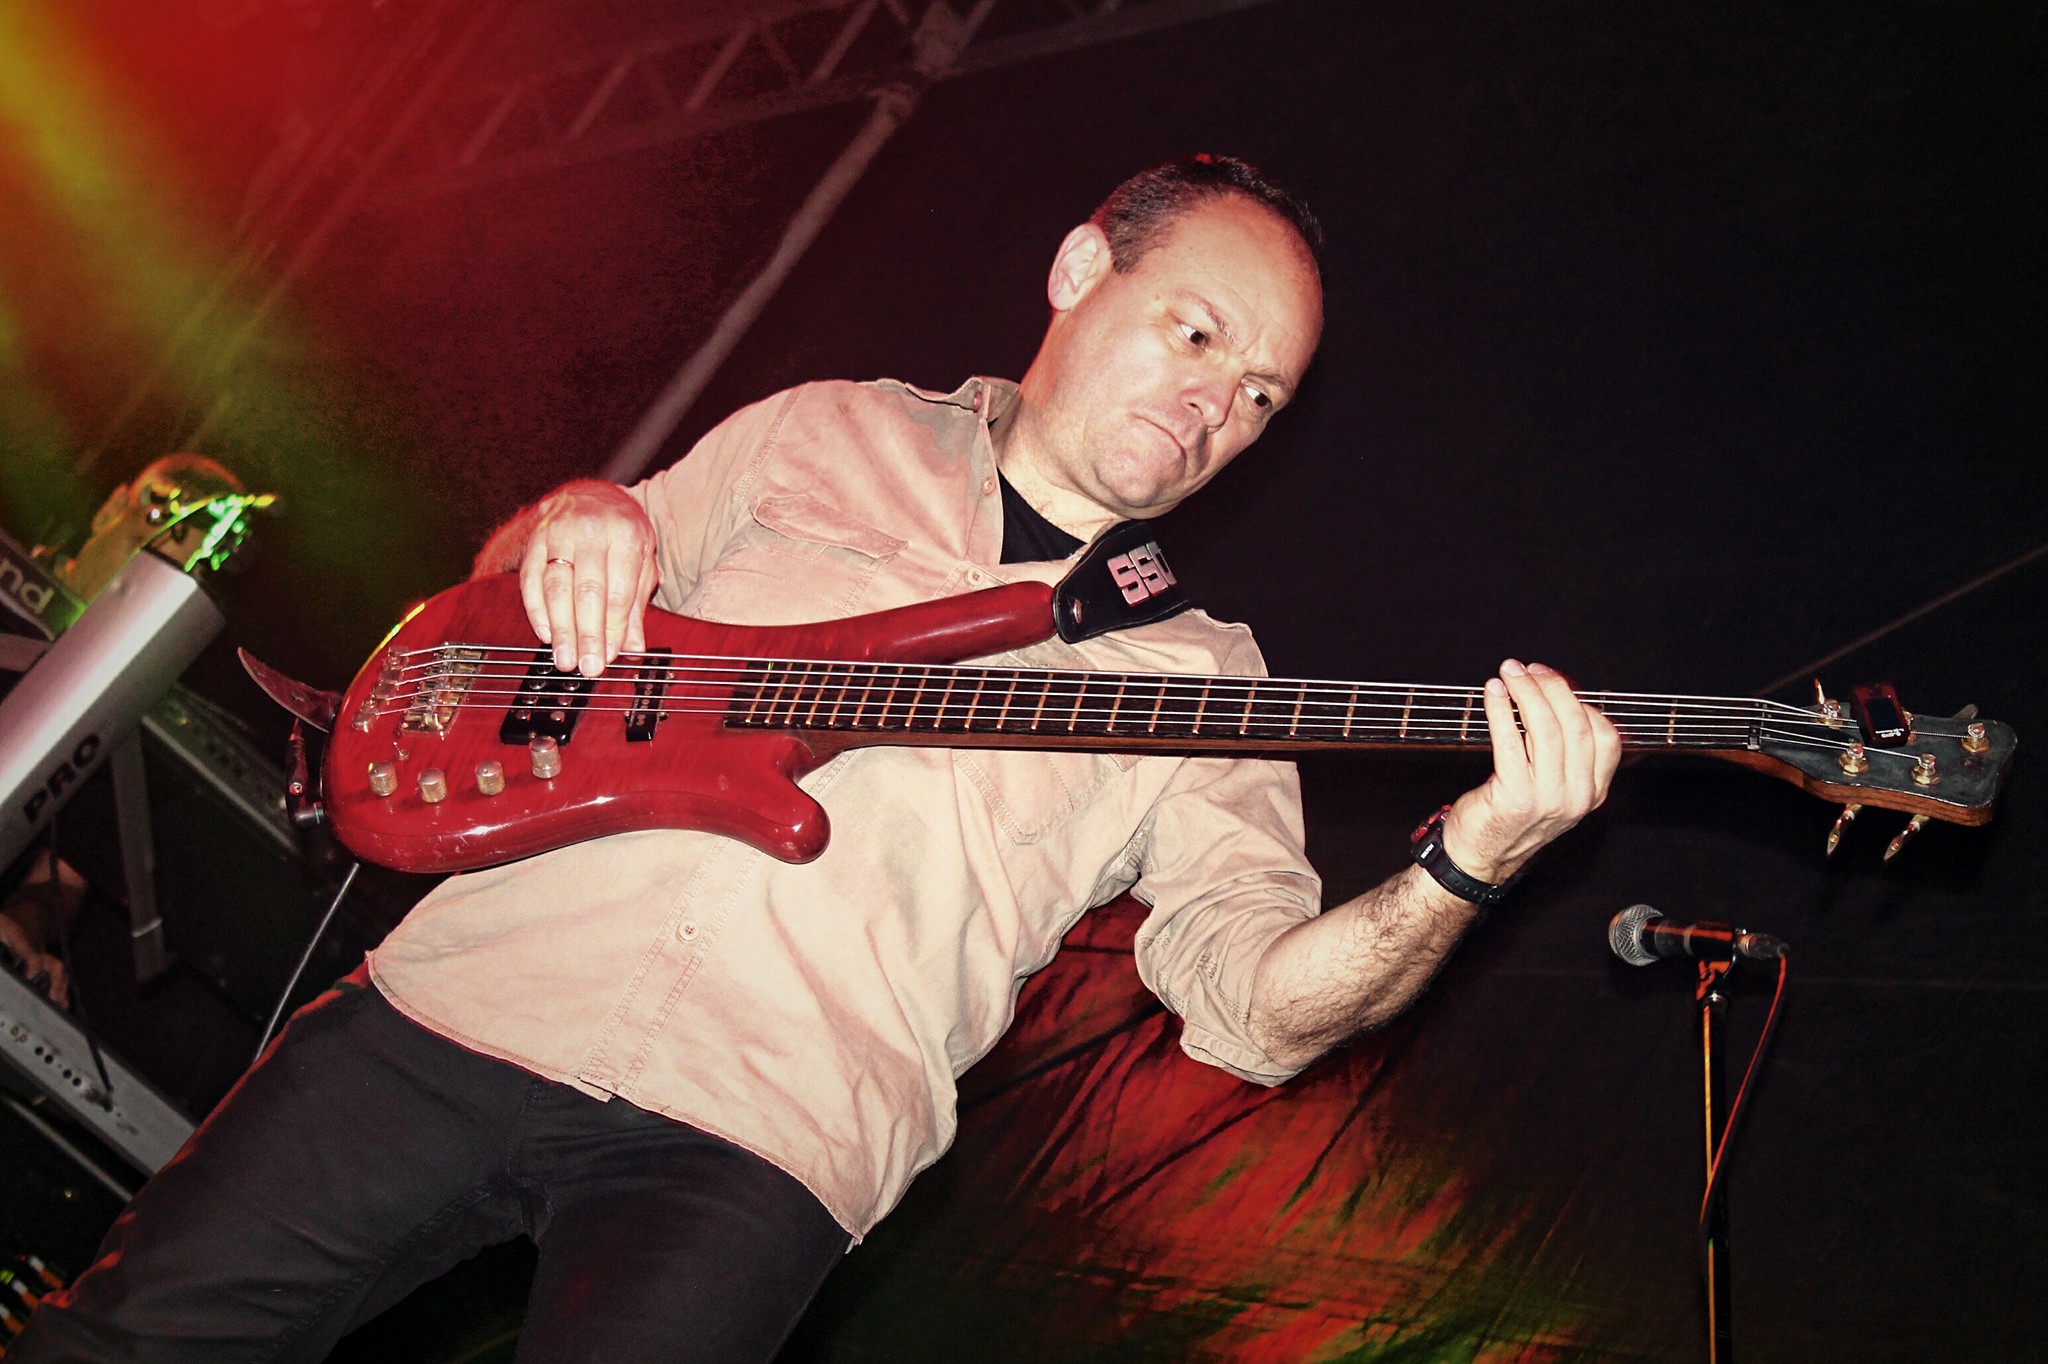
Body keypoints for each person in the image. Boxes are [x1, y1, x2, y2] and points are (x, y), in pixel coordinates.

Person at [15, 157, 1619, 1362]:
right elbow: (527, 588)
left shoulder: (1202, 680)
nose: (1216, 402)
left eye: (1259, 392)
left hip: (758, 1148)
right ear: (1081, 269)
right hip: (468, 1004)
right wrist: (581, 516)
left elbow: (1258, 1013)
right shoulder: (823, 428)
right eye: (1195, 332)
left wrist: (1467, 862)